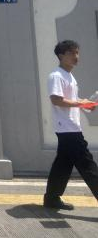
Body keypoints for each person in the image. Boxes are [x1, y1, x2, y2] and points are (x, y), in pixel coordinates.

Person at [44, 40, 98, 210]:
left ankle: (51, 198)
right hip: (67, 129)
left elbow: (71, 100)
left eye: (77, 52)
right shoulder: (57, 76)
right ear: (61, 56)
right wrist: (80, 104)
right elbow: (56, 100)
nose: (76, 56)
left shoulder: (70, 77)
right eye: (71, 53)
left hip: (70, 127)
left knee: (63, 164)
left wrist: (85, 104)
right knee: (88, 165)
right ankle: (51, 198)